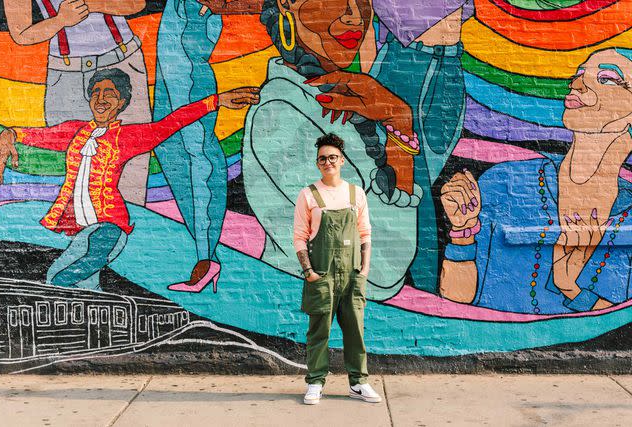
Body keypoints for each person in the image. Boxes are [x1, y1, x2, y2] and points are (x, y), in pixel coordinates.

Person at [0, 68, 259, 291]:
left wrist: (216, 101)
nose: (101, 98)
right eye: (95, 93)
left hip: (108, 228)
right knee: (87, 288)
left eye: (109, 94)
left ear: (121, 102)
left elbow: (169, 124)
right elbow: (39, 135)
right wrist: (9, 134)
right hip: (82, 230)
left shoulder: (126, 138)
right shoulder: (76, 131)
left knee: (57, 278)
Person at [245, 0, 424, 301]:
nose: (356, 17)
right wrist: (398, 126)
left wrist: (399, 124)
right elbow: (381, 271)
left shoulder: (341, 99)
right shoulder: (280, 115)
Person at [438, 48, 632, 314]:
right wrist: (463, 231)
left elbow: (617, 321)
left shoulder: (628, 215)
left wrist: (568, 285)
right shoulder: (503, 182)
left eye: (606, 78)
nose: (576, 84)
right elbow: (457, 299)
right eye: (579, 74)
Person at [153, 0, 262, 293]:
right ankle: (206, 250)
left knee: (197, 147)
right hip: (178, 20)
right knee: (169, 144)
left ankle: (206, 256)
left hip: (192, 26)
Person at [4, 0, 152, 206]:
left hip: (122, 63)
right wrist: (61, 20)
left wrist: (91, 4)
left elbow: (136, 3)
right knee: (76, 175)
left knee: (131, 171)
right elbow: (21, 33)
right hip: (66, 77)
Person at [294, 133, 381, 405]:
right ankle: (316, 382)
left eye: (333, 157)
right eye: (323, 159)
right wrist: (309, 272)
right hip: (321, 273)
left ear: (342, 160)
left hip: (353, 274)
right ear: (317, 163)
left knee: (355, 330)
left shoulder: (356, 194)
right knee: (319, 331)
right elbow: (300, 237)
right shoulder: (308, 195)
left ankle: (359, 382)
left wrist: (364, 269)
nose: (328, 162)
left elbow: (365, 233)